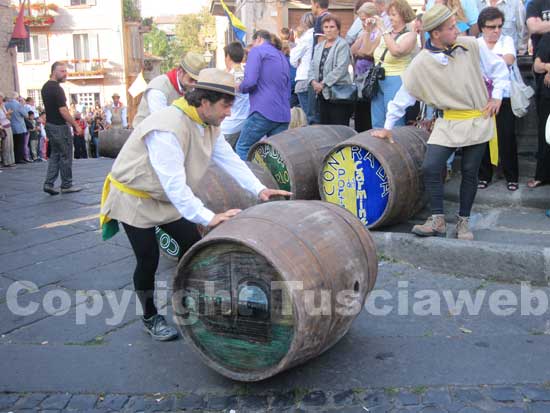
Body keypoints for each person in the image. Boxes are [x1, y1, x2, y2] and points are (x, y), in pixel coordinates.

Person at [99, 68, 291, 341]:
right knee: (147, 259)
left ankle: (194, 302)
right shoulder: (167, 126)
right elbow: (174, 184)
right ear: (204, 101)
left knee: (193, 247)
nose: (228, 112)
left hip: (164, 198)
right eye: (225, 105)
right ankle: (150, 316)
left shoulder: (209, 124)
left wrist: (259, 189)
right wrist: (208, 216)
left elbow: (228, 159)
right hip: (136, 199)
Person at [371, 5, 509, 240]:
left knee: (469, 171)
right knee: (431, 167)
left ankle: (463, 223)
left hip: (477, 119)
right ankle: (438, 220)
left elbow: (499, 69)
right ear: (435, 33)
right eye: (451, 27)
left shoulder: (471, 45)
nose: (457, 30)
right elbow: (404, 95)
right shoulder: (421, 62)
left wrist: (497, 95)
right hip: (448, 122)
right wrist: (387, 127)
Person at [476, 7, 519, 191]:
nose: (496, 30)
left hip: (504, 96)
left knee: (507, 136)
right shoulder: (476, 43)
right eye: (492, 27)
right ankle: (485, 175)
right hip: (482, 97)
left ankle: (512, 177)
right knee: (482, 138)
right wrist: (496, 60)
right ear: (482, 28)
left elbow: (509, 60)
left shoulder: (507, 40)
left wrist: (488, 61)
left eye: (500, 26)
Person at [235, 30, 291, 160]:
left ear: (258, 39)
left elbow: (250, 82)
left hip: (263, 111)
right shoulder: (281, 55)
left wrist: (239, 87)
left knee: (243, 147)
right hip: (283, 114)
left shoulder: (257, 51)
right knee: (275, 157)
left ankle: (249, 180)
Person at [371, 0, 418, 129]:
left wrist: (383, 30)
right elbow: (368, 50)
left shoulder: (410, 35)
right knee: (377, 121)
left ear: (403, 15)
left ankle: (397, 148)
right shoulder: (387, 33)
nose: (390, 18)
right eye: (389, 15)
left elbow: (396, 51)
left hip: (396, 79)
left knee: (394, 121)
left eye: (394, 15)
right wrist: (368, 31)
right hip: (379, 79)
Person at [41, 61, 84, 195]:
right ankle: (66, 184)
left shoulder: (45, 87)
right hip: (59, 126)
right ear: (54, 72)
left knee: (55, 155)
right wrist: (75, 125)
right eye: (62, 71)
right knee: (65, 155)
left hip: (50, 125)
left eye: (66, 71)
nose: (65, 74)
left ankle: (49, 183)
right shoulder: (56, 88)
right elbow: (63, 110)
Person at [132, 52, 207, 127]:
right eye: (191, 79)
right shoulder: (159, 88)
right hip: (145, 134)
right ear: (181, 72)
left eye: (197, 81)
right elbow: (161, 123)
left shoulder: (190, 87)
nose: (194, 84)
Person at [308, 13, 354, 126]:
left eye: (332, 27)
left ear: (338, 29)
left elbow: (341, 69)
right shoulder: (318, 46)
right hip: (321, 95)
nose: (328, 30)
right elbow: (312, 66)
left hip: (338, 95)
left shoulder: (342, 45)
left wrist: (323, 84)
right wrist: (313, 82)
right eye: (326, 27)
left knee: (339, 127)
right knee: (325, 128)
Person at [351, 2, 380, 131]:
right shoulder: (363, 32)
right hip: (359, 78)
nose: (362, 23)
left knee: (368, 114)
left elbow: (368, 51)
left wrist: (367, 32)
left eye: (364, 19)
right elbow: (353, 50)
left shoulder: (378, 33)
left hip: (370, 79)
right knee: (359, 115)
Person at [220, 42, 250, 149]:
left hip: (229, 126)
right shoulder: (247, 72)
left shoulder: (230, 77)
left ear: (228, 56)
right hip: (244, 123)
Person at [530, 32, 550, 188]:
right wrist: (547, 67)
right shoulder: (547, 38)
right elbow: (537, 66)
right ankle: (542, 175)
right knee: (545, 135)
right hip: (547, 95)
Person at [290, 12, 316, 120]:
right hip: (316, 79)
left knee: (309, 115)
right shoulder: (318, 36)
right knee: (315, 113)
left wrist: (297, 63)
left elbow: (293, 58)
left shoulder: (305, 38)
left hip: (304, 77)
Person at [4, 92, 30, 164]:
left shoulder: (5, 104)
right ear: (17, 97)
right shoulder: (18, 105)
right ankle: (19, 158)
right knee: (20, 144)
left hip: (10, 126)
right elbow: (26, 115)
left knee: (14, 144)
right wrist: (23, 105)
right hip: (20, 127)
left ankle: (14, 158)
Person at [0, 92, 16, 168]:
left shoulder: (3, 106)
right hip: (3, 126)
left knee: (10, 144)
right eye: (0, 97)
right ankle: (6, 161)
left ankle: (11, 160)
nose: (2, 99)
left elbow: (8, 117)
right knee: (6, 144)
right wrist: (7, 114)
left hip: (8, 125)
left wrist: (9, 114)